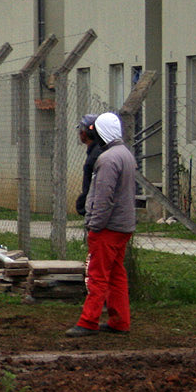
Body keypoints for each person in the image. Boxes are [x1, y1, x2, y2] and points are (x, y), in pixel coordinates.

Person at [69, 111, 136, 336]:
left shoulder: (107, 159)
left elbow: (103, 197)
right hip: (123, 226)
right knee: (116, 274)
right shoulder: (125, 154)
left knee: (97, 275)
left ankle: (88, 321)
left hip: (107, 227)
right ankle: (120, 321)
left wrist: (94, 224)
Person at [74, 113, 104, 216]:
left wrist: (82, 206)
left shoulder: (94, 156)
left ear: (84, 134)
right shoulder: (100, 149)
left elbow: (91, 186)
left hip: (95, 209)